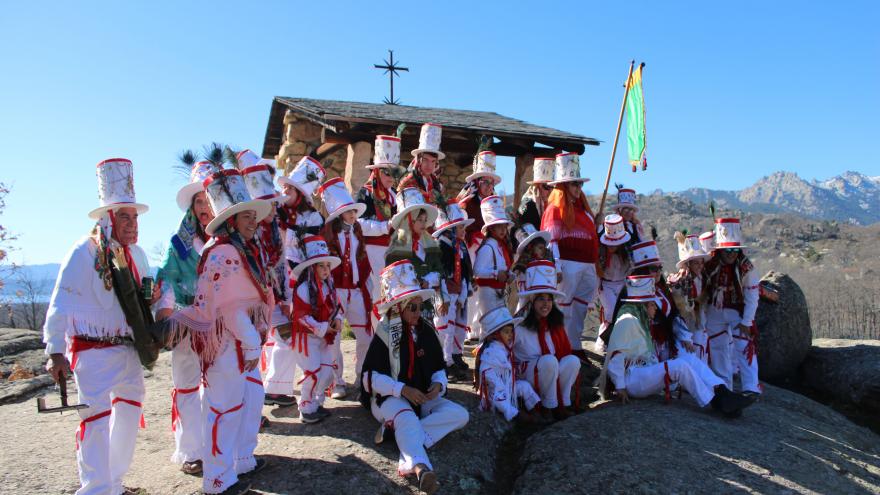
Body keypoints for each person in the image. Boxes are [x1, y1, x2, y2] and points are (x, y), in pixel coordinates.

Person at [43, 158, 156, 495]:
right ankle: (95, 489)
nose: (133, 224)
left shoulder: (138, 255)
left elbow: (143, 302)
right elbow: (61, 301)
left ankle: (115, 482)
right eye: (125, 216)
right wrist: (55, 350)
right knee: (94, 419)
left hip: (127, 350)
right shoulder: (83, 252)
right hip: (91, 350)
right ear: (108, 218)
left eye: (135, 217)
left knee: (129, 410)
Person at [166, 168, 273, 495]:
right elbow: (229, 306)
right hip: (227, 345)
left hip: (237, 345)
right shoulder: (224, 253)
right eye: (246, 215)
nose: (253, 220)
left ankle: (236, 464)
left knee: (240, 403)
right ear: (231, 221)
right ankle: (216, 479)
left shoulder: (242, 250)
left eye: (253, 215)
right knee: (223, 408)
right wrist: (252, 342)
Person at [360, 261, 469, 494]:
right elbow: (370, 379)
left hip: (421, 395)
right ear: (398, 307)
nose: (418, 313)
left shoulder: (426, 330)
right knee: (406, 417)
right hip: (389, 398)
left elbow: (438, 366)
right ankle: (420, 468)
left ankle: (397, 433)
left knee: (460, 415)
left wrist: (438, 385)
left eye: (420, 307)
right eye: (413, 308)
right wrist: (402, 390)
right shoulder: (385, 333)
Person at [598, 275, 754, 418]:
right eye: (652, 304)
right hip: (631, 379)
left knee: (689, 360)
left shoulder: (639, 320)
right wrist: (620, 386)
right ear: (643, 305)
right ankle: (714, 401)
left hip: (640, 371)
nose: (654, 309)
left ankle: (721, 391)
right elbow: (616, 356)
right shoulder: (628, 320)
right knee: (679, 366)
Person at [155, 157, 216, 475]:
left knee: (218, 386)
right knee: (189, 386)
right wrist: (167, 318)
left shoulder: (227, 241)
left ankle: (217, 447)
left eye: (209, 200)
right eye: (199, 201)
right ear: (192, 207)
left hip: (221, 327)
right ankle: (191, 451)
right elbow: (166, 278)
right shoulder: (179, 244)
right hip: (187, 323)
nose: (205, 207)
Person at [263, 156, 325, 407]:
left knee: (289, 334)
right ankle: (275, 387)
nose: (284, 191)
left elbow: (311, 249)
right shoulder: (275, 212)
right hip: (276, 278)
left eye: (290, 188)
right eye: (285, 187)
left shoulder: (313, 218)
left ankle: (277, 387)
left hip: (298, 279)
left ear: (301, 193)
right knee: (283, 334)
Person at [541, 152, 599, 358]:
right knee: (564, 307)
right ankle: (559, 346)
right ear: (564, 186)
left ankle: (574, 345)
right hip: (567, 263)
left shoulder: (584, 211)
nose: (578, 188)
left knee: (581, 307)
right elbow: (551, 239)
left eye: (580, 184)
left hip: (587, 264)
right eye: (574, 184)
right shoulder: (555, 209)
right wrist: (556, 265)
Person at [318, 177, 372, 397]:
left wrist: (366, 285)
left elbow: (362, 259)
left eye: (353, 211)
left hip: (356, 290)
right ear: (338, 214)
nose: (352, 214)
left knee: (366, 336)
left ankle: (362, 376)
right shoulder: (328, 234)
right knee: (335, 337)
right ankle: (337, 381)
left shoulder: (358, 230)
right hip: (336, 290)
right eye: (348, 211)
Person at [513, 261, 582, 420]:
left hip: (549, 372)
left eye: (549, 299)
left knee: (572, 360)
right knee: (549, 361)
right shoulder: (519, 326)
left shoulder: (555, 326)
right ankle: (547, 406)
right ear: (532, 301)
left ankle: (562, 403)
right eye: (541, 299)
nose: (546, 304)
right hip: (528, 377)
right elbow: (503, 347)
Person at [704, 217, 761, 395]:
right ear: (719, 251)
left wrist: (747, 321)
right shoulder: (709, 265)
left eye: (735, 249)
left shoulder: (746, 268)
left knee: (744, 346)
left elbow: (752, 296)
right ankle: (724, 387)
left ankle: (751, 387)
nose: (731, 253)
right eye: (727, 249)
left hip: (738, 311)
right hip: (714, 310)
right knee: (718, 348)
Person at [289, 236, 343, 424]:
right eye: (321, 266)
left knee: (327, 371)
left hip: (322, 337)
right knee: (313, 372)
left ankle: (317, 402)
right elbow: (301, 316)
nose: (326, 270)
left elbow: (337, 307)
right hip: (305, 338)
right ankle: (305, 406)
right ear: (312, 267)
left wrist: (337, 320)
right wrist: (324, 327)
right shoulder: (303, 288)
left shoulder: (330, 286)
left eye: (328, 266)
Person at [458, 151, 501, 341]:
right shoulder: (467, 204)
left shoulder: (495, 204)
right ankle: (468, 328)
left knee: (485, 289)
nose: (488, 186)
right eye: (485, 182)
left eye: (491, 183)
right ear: (477, 183)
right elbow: (462, 226)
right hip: (471, 250)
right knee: (472, 288)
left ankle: (479, 327)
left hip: (489, 250)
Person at [385, 187, 446, 320]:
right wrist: (415, 282)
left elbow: (440, 271)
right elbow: (392, 279)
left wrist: (428, 281)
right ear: (409, 220)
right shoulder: (396, 248)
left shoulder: (430, 244)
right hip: (404, 309)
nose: (424, 223)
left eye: (425, 220)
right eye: (419, 219)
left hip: (427, 306)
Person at [431, 200, 475, 380]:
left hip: (458, 294)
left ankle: (455, 356)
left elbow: (465, 270)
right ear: (449, 229)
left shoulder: (460, 246)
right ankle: (444, 362)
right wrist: (443, 298)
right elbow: (439, 274)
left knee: (459, 327)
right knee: (445, 329)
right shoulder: (440, 247)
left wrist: (465, 291)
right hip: (445, 296)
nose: (463, 230)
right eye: (460, 227)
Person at [475, 305, 541, 423]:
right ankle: (516, 414)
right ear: (495, 335)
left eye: (511, 331)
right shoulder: (491, 353)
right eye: (506, 332)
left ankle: (536, 410)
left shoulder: (504, 348)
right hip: (495, 392)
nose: (510, 335)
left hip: (507, 387)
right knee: (501, 401)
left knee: (525, 386)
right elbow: (489, 377)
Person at [357, 134, 400, 304]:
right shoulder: (365, 193)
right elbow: (358, 224)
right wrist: (385, 226)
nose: (391, 177)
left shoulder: (395, 196)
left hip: (392, 252)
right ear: (376, 171)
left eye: (394, 173)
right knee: (376, 298)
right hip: (371, 252)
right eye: (386, 172)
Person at [473, 195, 515, 334]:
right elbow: (477, 271)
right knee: (490, 328)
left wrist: (510, 275)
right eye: (499, 226)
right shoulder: (488, 248)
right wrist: (496, 274)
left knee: (498, 327)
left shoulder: (500, 246)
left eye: (504, 226)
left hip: (499, 292)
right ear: (491, 229)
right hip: (488, 293)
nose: (503, 230)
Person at [667, 232, 712, 364]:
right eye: (695, 263)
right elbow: (679, 312)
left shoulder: (702, 279)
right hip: (687, 329)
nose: (700, 266)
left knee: (701, 357)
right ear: (688, 265)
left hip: (700, 326)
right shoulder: (680, 284)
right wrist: (684, 335)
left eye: (701, 262)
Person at [594, 214, 631, 353]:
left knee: (621, 313)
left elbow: (632, 268)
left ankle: (618, 342)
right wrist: (593, 295)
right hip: (606, 285)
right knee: (610, 313)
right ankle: (602, 340)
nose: (611, 246)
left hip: (622, 285)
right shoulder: (601, 252)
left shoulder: (627, 252)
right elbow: (597, 271)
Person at [398, 123, 447, 209]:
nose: (429, 165)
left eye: (433, 161)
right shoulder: (408, 180)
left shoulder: (436, 183)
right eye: (425, 160)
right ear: (418, 160)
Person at [510, 223, 552, 312]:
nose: (544, 251)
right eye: (540, 248)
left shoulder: (545, 261)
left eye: (544, 248)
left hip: (540, 296)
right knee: (523, 310)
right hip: (526, 296)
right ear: (531, 248)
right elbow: (516, 273)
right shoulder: (522, 262)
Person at [517, 157, 555, 229]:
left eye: (553, 186)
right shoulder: (527, 204)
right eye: (546, 187)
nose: (550, 191)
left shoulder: (550, 204)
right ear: (537, 186)